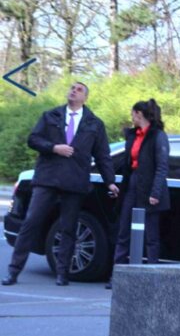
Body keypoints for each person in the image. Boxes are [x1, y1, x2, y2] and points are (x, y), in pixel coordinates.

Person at [2, 82, 118, 286]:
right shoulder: (51, 116)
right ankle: (13, 271)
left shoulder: (94, 123)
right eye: (72, 88)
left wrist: (110, 182)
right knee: (31, 222)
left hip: (74, 181)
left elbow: (103, 156)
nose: (73, 91)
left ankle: (62, 274)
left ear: (85, 98)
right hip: (47, 179)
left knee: (68, 228)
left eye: (79, 89)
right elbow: (33, 139)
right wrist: (53, 147)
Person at [107, 100, 171, 289]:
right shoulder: (134, 135)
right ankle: (117, 276)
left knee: (151, 236)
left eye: (133, 114)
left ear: (139, 114)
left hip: (149, 187)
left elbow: (162, 166)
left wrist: (155, 192)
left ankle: (152, 278)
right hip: (133, 185)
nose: (132, 118)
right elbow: (127, 164)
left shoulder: (158, 136)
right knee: (123, 231)